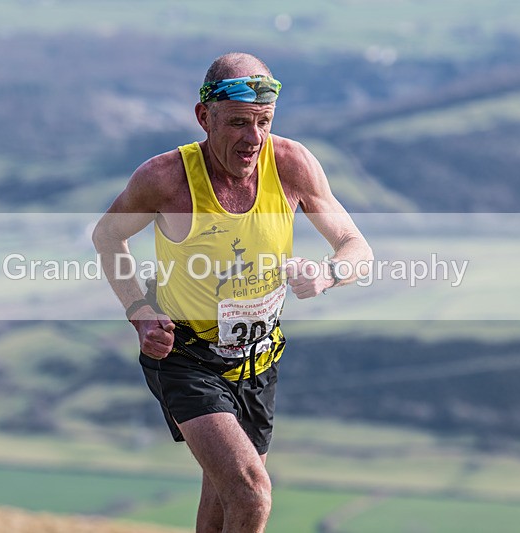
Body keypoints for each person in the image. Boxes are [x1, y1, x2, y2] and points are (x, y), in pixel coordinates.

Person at [93, 52, 371, 532]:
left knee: (222, 506)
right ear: (205, 117)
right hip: (184, 356)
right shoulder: (165, 179)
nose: (254, 138)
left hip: (257, 362)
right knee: (251, 491)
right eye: (240, 123)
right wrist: (138, 311)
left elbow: (356, 248)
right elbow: (108, 236)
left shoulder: (291, 165)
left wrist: (326, 275)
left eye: (264, 121)